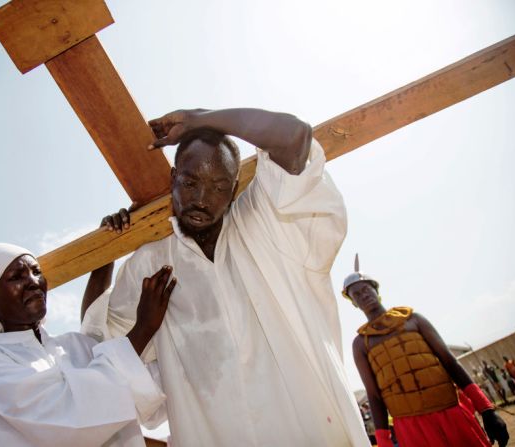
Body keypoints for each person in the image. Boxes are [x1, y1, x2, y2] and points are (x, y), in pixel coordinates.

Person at [82, 108, 369, 445]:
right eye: (190, 183)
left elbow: (295, 138)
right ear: (173, 178)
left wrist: (202, 118)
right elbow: (97, 339)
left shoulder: (266, 222)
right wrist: (107, 252)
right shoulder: (151, 262)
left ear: (234, 189)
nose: (201, 200)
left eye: (218, 187)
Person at [0, 243, 175, 447]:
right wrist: (143, 328)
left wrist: (109, 246)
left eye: (36, 271)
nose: (33, 282)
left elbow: (154, 391)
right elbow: (71, 421)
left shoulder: (74, 345)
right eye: (16, 277)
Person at [344, 256, 509, 447]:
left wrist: (486, 410)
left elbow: (451, 363)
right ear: (354, 303)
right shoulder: (361, 344)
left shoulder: (414, 320)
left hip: (451, 414)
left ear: (376, 289)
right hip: (411, 427)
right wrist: (383, 442)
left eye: (366, 289)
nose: (363, 295)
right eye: (356, 294)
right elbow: (373, 396)